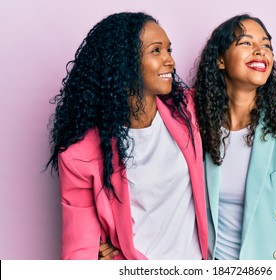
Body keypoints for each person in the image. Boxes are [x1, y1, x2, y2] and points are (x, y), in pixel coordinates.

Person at [47, 12, 207, 260]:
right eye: (156, 51)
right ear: (124, 62)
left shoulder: (186, 109)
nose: (170, 61)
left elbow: (249, 97)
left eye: (169, 50)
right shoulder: (79, 156)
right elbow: (78, 250)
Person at [194, 14, 276, 259]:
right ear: (220, 60)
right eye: (246, 43)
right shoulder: (199, 128)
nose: (260, 51)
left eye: (266, 45)